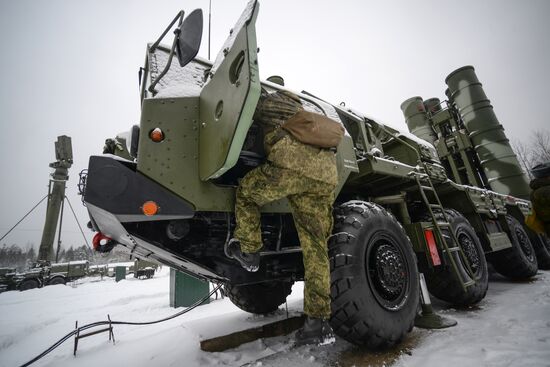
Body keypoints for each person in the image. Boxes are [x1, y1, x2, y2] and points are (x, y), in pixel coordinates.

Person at [224, 88, 338, 346]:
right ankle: (317, 323)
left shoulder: (268, 102)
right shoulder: (302, 113)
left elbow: (239, 111)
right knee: (316, 249)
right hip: (325, 174)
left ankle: (250, 251)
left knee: (246, 194)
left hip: (290, 167)